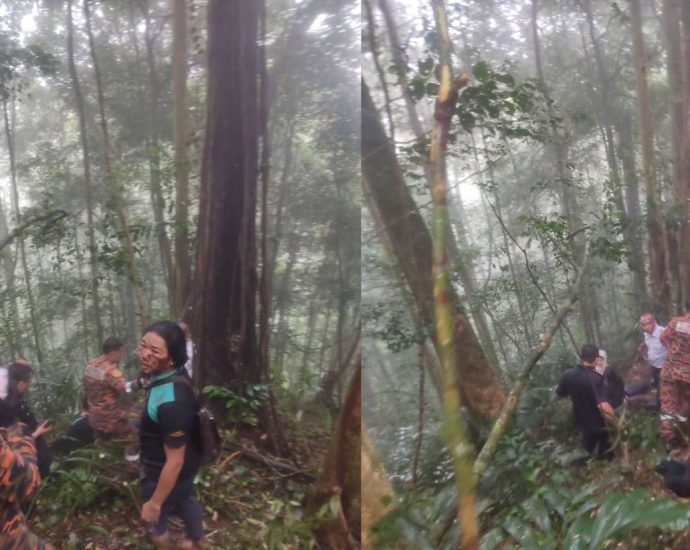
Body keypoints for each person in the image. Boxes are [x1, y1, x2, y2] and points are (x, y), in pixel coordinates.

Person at [138, 321, 203, 549]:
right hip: (186, 466)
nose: (145, 354)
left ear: (172, 358)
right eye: (143, 345)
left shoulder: (171, 403)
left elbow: (174, 463)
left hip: (163, 471)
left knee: (156, 527)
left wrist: (155, 503)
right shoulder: (172, 372)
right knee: (185, 497)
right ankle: (197, 540)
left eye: (155, 351)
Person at [83, 337, 138, 461]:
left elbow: (86, 387)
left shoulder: (91, 365)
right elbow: (125, 388)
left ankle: (103, 465)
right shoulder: (112, 371)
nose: (122, 355)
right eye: (121, 352)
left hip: (94, 417)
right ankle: (131, 463)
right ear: (113, 352)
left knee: (102, 444)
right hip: (110, 418)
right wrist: (140, 383)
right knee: (131, 437)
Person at [556, 344, 615, 460]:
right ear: (597, 359)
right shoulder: (597, 378)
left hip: (581, 422)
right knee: (606, 451)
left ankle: (581, 470)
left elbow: (559, 395)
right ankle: (603, 467)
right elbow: (602, 405)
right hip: (600, 424)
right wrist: (617, 422)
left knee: (586, 450)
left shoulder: (567, 375)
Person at [7, 361, 52, 477]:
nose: (29, 386)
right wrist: (36, 434)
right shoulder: (8, 406)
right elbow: (11, 441)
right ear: (21, 384)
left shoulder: (17, 400)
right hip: (26, 468)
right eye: (29, 382)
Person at [659, 300, 690, 453]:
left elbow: (662, 338)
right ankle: (682, 432)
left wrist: (675, 350)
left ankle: (669, 438)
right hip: (687, 375)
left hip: (670, 371)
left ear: (685, 309)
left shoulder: (675, 323)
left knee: (668, 404)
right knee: (684, 402)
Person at [640, 312, 667, 394]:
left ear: (654, 322)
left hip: (664, 367)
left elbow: (672, 349)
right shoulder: (646, 335)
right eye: (642, 325)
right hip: (654, 366)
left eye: (647, 324)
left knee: (662, 391)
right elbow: (648, 344)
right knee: (655, 383)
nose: (645, 327)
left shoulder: (663, 333)